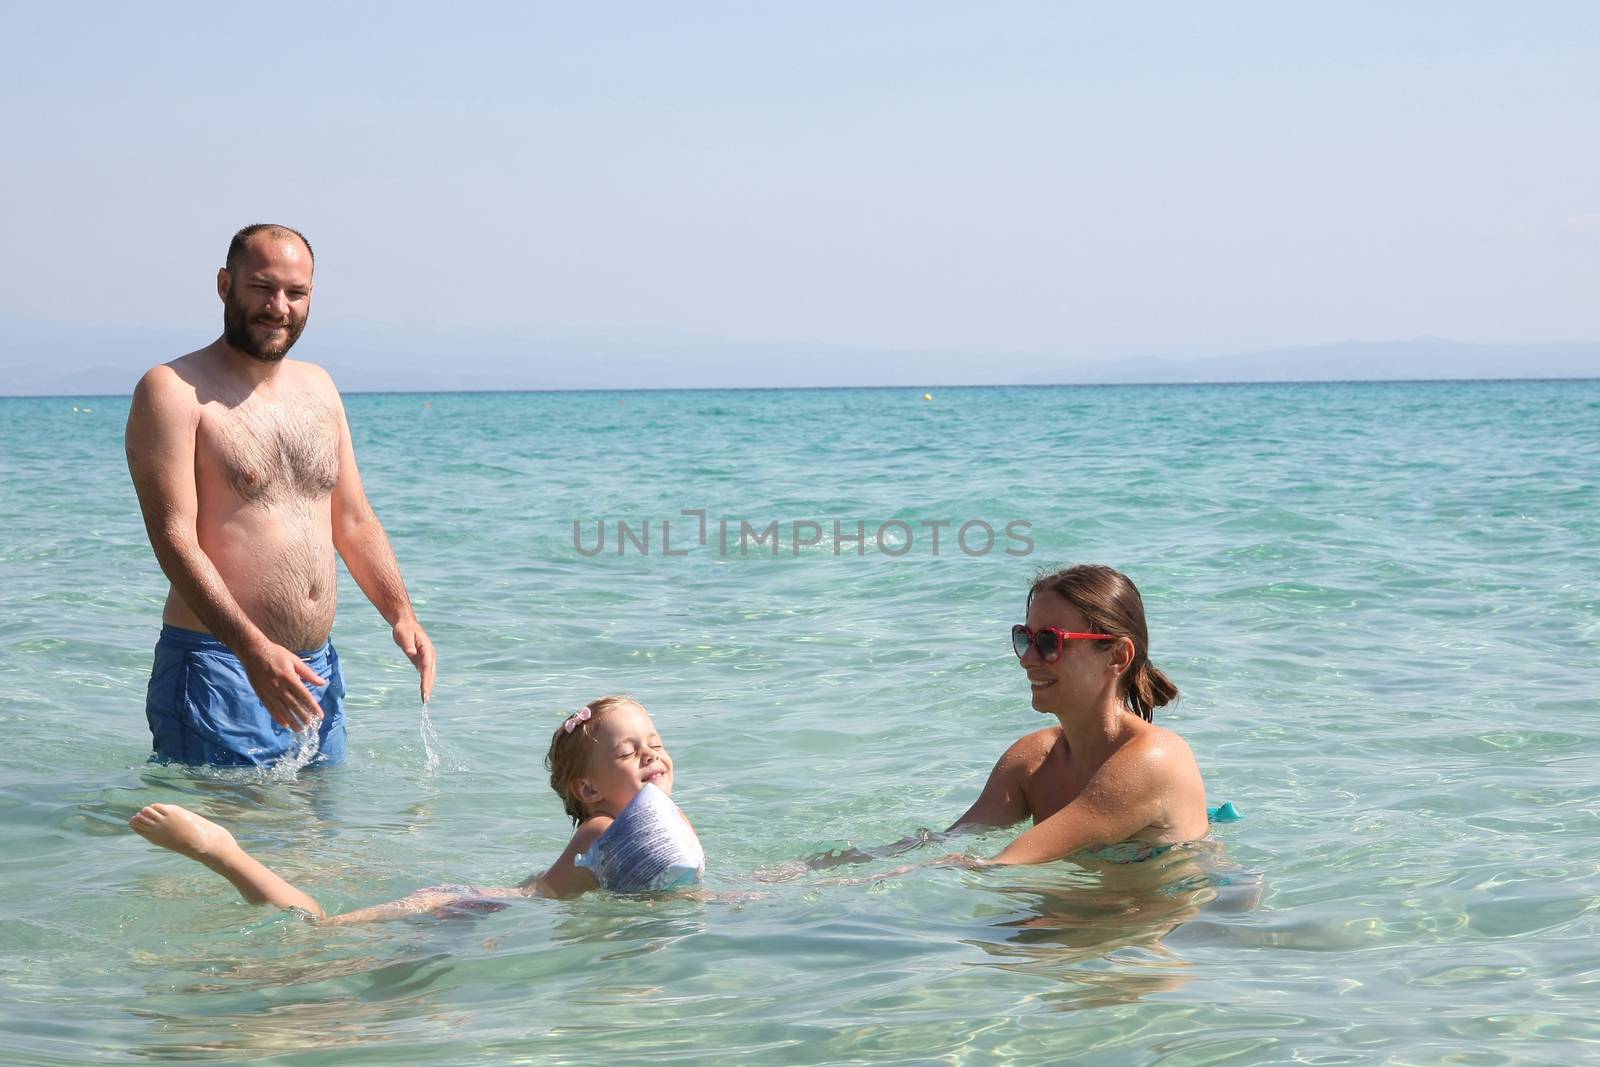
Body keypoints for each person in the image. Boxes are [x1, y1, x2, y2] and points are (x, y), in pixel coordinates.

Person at [125, 223, 436, 767]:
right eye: (262, 288)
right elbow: (173, 538)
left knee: (317, 845)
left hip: (315, 671)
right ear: (225, 285)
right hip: (220, 665)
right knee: (226, 843)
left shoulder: (319, 386)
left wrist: (402, 614)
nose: (278, 307)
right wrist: (252, 649)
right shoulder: (172, 391)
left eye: (296, 293)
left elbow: (354, 521)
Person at [127, 696, 703, 921]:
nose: (653, 755)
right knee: (318, 931)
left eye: (656, 744)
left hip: (489, 906)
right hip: (472, 911)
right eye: (631, 752)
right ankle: (222, 852)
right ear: (589, 791)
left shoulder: (641, 826)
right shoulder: (604, 828)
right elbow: (671, 893)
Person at [947, 564, 1209, 866]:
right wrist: (882, 859)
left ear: (1118, 656)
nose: (1028, 660)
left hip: (1163, 911)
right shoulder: (1032, 761)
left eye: (1049, 641)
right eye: (1024, 638)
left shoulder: (1154, 759)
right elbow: (952, 839)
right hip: (1086, 909)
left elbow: (1004, 864)